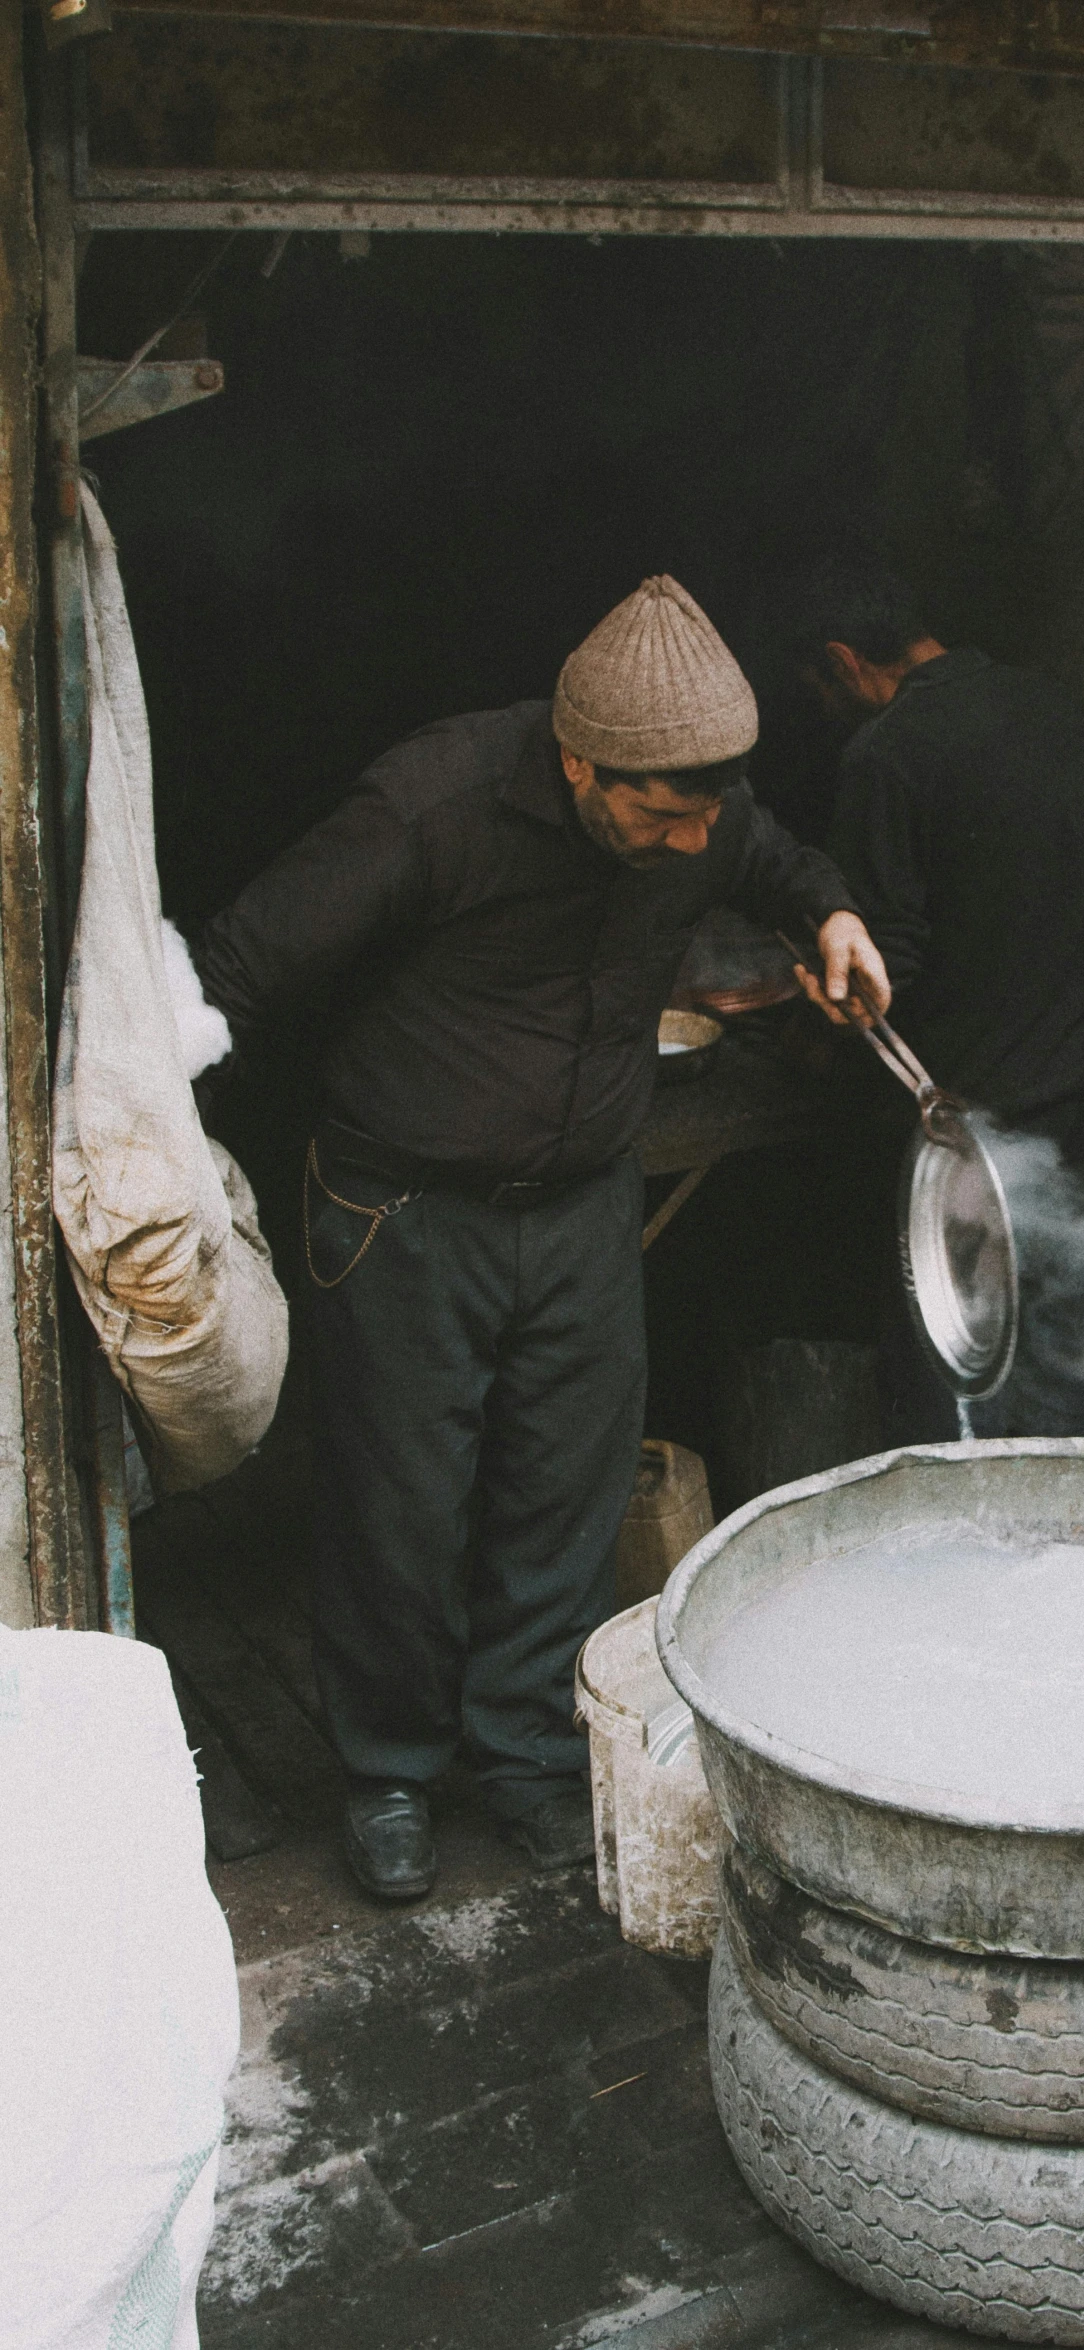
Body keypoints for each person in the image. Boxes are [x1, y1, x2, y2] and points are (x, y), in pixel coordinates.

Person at [192, 576, 888, 1900]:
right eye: (662, 814)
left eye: (705, 813)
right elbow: (238, 965)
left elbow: (772, 854)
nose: (694, 844)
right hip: (402, 1211)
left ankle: (518, 1751)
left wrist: (830, 913)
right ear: (579, 763)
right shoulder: (428, 807)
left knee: (559, 1487)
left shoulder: (701, 810)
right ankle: (389, 1768)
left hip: (576, 1204)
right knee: (401, 1500)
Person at [791, 553, 1084, 1446]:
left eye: (822, 692)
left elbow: (880, 975)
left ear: (843, 661)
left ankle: (972, 1576)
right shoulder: (1051, 706)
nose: (829, 716)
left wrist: (816, 1011)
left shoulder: (886, 754)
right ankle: (1066, 1568)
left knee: (958, 1381)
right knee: (1066, 1368)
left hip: (978, 1137)